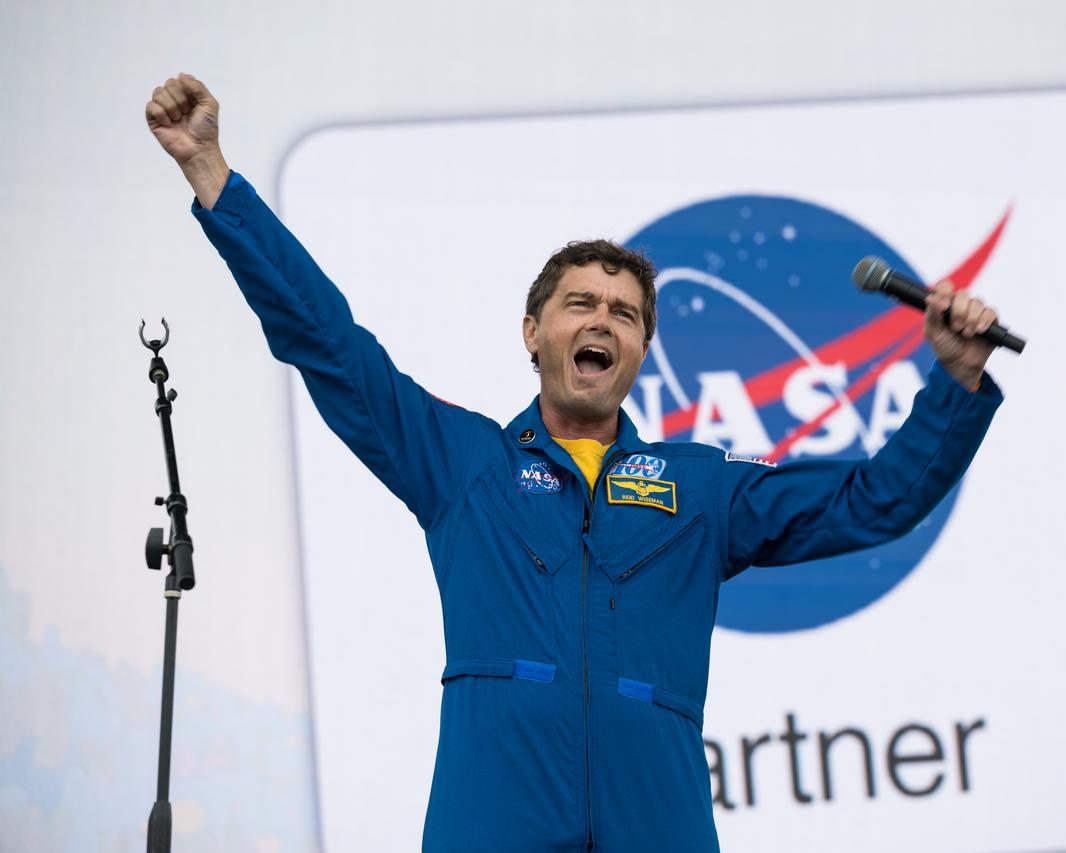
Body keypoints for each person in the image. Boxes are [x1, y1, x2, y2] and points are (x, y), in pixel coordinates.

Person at [146, 73, 1004, 853]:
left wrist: (957, 378)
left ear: (642, 350)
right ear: (534, 333)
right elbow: (327, 342)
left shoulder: (701, 486)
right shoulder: (462, 462)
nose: (603, 319)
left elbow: (872, 500)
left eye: (626, 313)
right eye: (580, 303)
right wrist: (215, 176)